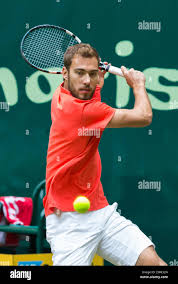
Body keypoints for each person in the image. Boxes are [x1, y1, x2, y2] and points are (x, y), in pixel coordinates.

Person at [43, 43, 167, 266]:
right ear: (64, 73)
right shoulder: (83, 111)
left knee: (154, 266)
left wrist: (98, 81)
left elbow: (91, 92)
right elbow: (144, 116)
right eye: (79, 73)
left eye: (92, 74)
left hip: (100, 211)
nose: (86, 81)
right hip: (69, 222)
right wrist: (138, 84)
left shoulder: (61, 93)